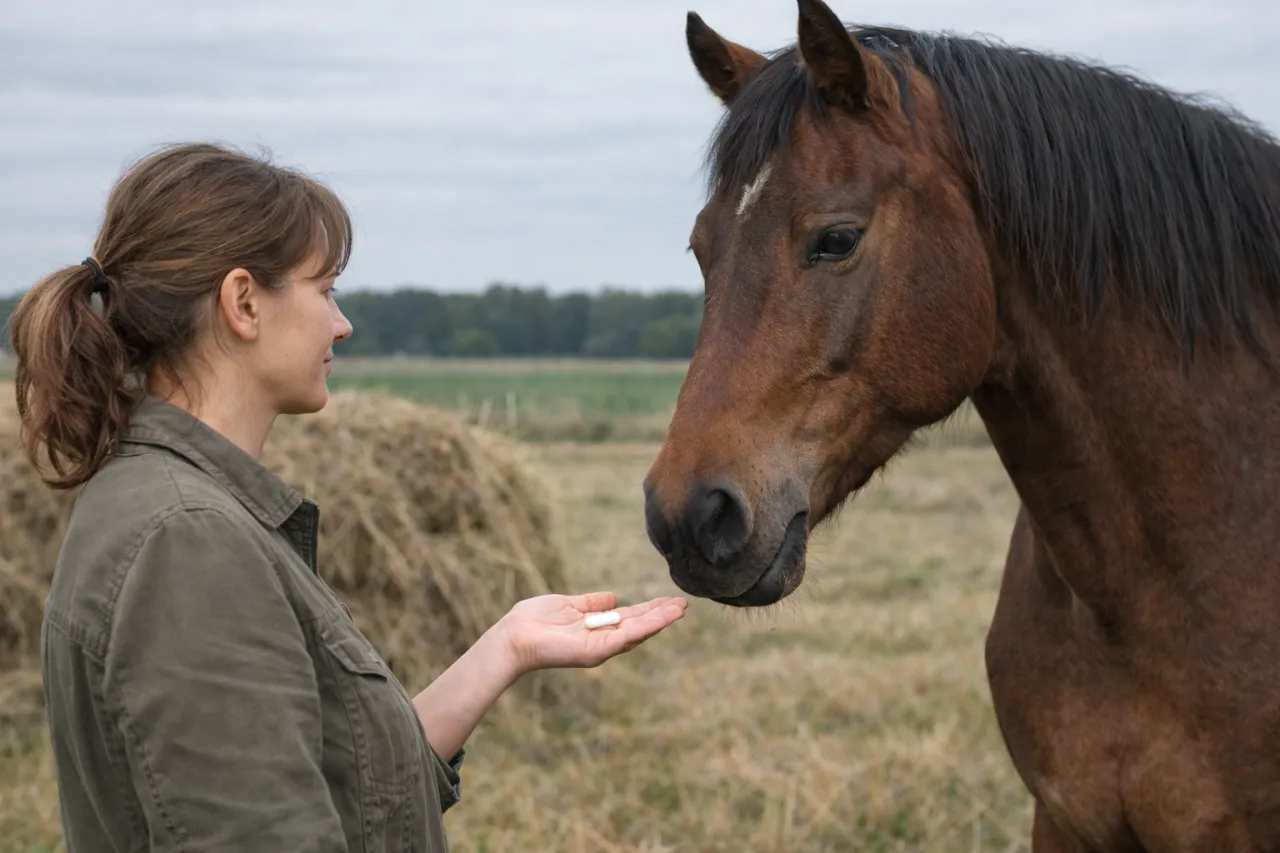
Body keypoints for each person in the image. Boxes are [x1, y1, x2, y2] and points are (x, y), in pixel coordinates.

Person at [10, 141, 688, 853]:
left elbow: (342, 797)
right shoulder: (188, 542)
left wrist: (506, 648)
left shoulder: (164, 501)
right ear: (244, 302)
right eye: (324, 289)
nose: (342, 324)